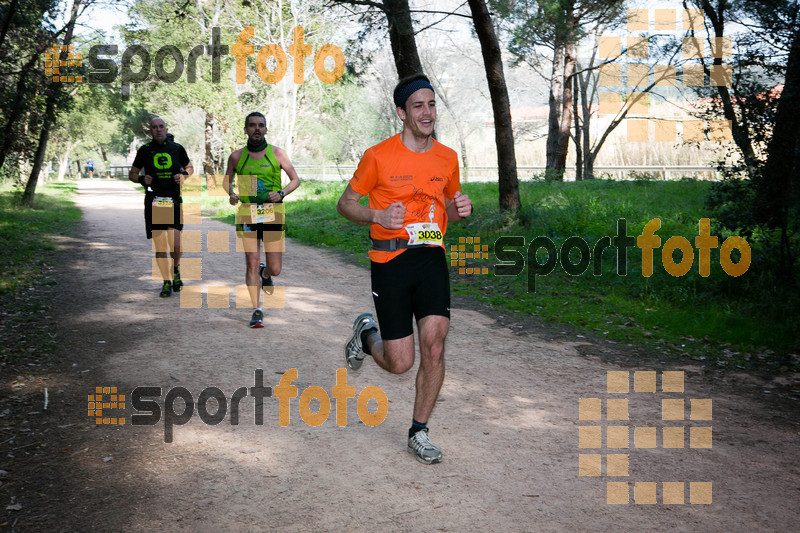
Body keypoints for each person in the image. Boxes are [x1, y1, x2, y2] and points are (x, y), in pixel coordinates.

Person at [336, 74, 473, 464]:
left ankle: (419, 431)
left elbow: (447, 208)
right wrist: (377, 214)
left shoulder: (447, 157)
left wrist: (461, 209)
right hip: (390, 260)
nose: (427, 112)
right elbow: (345, 204)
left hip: (430, 257)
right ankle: (366, 337)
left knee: (434, 343)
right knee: (401, 363)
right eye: (418, 106)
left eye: (431, 104)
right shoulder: (378, 156)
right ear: (402, 113)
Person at [223, 112, 300, 328]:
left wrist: (282, 193)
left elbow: (295, 180)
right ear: (245, 129)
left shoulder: (277, 153)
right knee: (251, 261)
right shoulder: (237, 157)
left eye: (261, 125)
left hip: (272, 213)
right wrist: (231, 193)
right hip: (247, 212)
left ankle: (265, 274)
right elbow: (226, 181)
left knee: (275, 268)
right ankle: (257, 309)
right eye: (252, 125)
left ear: (266, 129)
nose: (257, 129)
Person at [128, 117, 194, 298]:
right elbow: (132, 174)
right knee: (160, 247)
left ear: (166, 129)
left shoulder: (176, 148)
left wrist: (183, 175)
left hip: (173, 200)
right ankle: (166, 282)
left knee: (176, 244)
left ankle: (176, 270)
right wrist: (141, 179)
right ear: (150, 131)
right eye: (154, 128)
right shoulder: (145, 150)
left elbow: (189, 167)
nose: (158, 130)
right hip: (154, 201)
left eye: (161, 127)